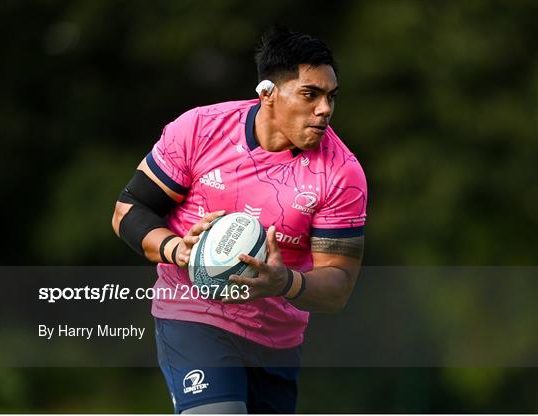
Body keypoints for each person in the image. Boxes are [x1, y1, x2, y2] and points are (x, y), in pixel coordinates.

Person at [112, 25, 367, 414]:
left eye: (331, 97)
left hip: (276, 342)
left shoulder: (342, 174)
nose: (324, 110)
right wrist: (178, 249)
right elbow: (127, 211)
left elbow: (339, 287)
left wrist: (284, 282)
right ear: (267, 94)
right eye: (309, 94)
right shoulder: (200, 130)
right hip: (193, 317)